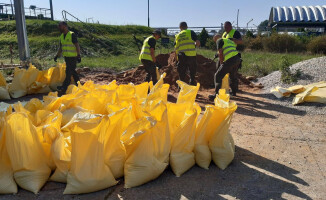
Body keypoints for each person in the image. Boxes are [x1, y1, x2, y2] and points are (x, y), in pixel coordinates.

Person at [208, 35, 241, 101]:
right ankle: (234, 92)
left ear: (216, 39)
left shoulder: (219, 40)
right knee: (232, 76)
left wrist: (221, 62)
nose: (215, 42)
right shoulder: (229, 41)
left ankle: (216, 95)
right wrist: (217, 54)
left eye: (215, 41)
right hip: (237, 59)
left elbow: (221, 53)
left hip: (230, 60)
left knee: (217, 76)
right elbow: (228, 50)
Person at [54, 21, 81, 94]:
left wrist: (78, 55)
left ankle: (64, 87)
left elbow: (77, 45)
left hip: (73, 57)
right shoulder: (62, 36)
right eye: (59, 26)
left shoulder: (72, 34)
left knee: (68, 71)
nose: (59, 27)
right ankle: (79, 84)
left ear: (65, 26)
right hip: (66, 57)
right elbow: (61, 47)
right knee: (73, 71)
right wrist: (57, 55)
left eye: (60, 26)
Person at [174, 22, 200, 86]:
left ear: (180, 27)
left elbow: (176, 49)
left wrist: (176, 59)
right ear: (187, 27)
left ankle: (181, 88)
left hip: (181, 56)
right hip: (191, 56)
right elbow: (197, 43)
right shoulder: (190, 32)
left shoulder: (177, 35)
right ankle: (191, 86)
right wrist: (194, 46)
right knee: (192, 73)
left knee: (182, 73)